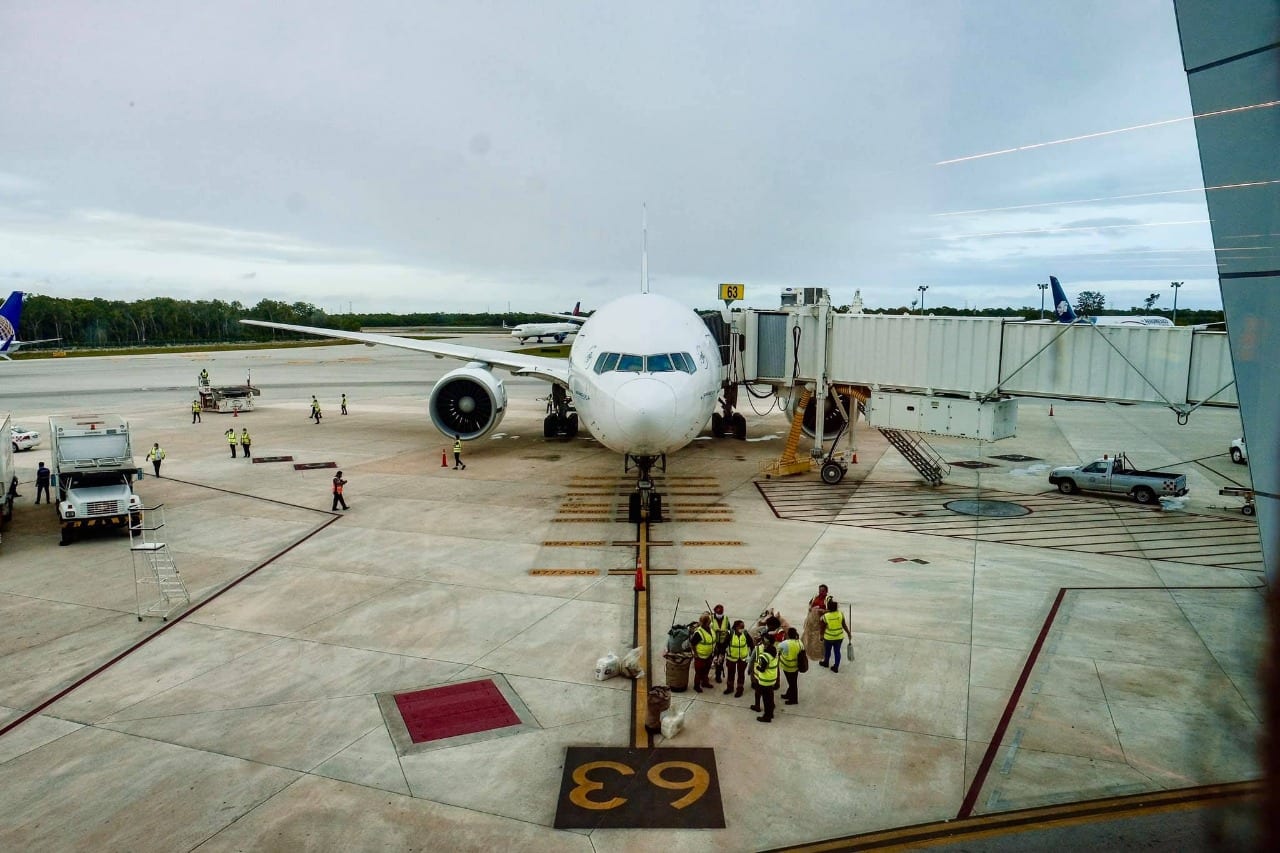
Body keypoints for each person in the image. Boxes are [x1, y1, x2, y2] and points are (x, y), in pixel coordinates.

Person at [721, 619, 754, 698]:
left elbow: (751, 644)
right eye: (741, 627)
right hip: (731, 658)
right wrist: (721, 655)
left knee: (741, 674)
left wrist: (752, 655)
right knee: (730, 674)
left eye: (743, 627)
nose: (742, 628)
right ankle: (730, 688)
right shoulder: (730, 634)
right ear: (736, 627)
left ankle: (740, 689)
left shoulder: (745, 633)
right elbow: (724, 645)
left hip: (742, 658)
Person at [751, 635, 779, 722]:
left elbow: (762, 669)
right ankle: (770, 713)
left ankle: (767, 717)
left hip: (764, 681)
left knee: (766, 699)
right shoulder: (774, 656)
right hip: (771, 679)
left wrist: (758, 668)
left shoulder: (765, 656)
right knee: (770, 697)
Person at [820, 598, 851, 673]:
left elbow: (822, 627)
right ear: (836, 607)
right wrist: (848, 633)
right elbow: (844, 625)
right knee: (837, 652)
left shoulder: (825, 616)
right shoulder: (840, 614)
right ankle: (836, 667)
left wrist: (821, 636)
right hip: (839, 637)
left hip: (828, 638)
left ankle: (826, 663)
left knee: (827, 651)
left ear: (828, 608)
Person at [777, 627, 804, 705]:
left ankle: (794, 699)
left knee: (792, 684)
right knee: (792, 682)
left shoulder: (785, 643)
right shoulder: (799, 643)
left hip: (787, 667)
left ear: (788, 635)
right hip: (796, 666)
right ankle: (788, 694)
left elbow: (778, 650)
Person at [691, 613, 716, 693]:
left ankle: (705, 682)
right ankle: (696, 686)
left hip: (709, 655)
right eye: (709, 620)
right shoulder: (699, 633)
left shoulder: (710, 629)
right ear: (706, 622)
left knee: (706, 670)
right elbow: (693, 644)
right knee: (699, 672)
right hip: (700, 656)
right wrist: (695, 654)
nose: (710, 621)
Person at [709, 604, 731, 683]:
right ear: (715, 612)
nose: (720, 615)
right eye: (718, 613)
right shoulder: (711, 619)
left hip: (722, 644)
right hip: (713, 644)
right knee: (711, 659)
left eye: (721, 613)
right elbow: (707, 630)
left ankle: (718, 676)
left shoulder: (726, 618)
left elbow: (729, 630)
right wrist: (715, 631)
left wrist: (726, 632)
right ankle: (705, 676)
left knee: (720, 661)